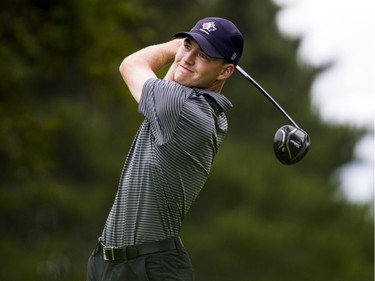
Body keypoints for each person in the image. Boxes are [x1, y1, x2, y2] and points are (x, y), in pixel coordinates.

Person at [87, 17, 244, 281]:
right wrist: (187, 55)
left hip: (149, 268)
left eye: (203, 55)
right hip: (108, 263)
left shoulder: (183, 110)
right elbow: (174, 78)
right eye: (188, 46)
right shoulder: (188, 102)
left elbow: (131, 65)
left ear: (225, 72)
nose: (188, 58)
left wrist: (175, 48)